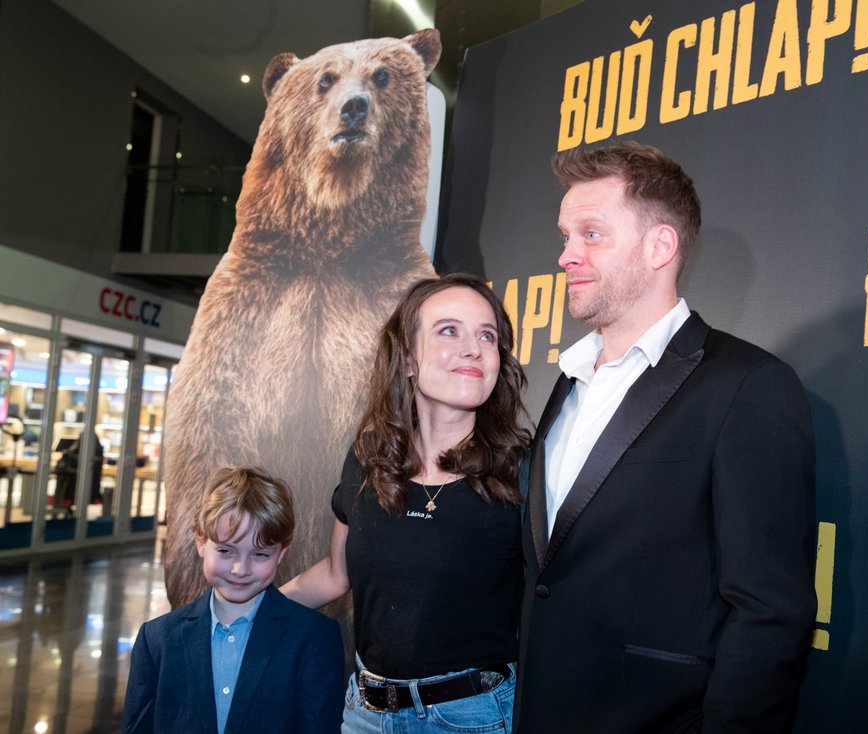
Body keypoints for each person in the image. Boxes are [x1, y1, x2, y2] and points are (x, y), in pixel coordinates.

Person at [515, 141, 817, 733]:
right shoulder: (568, 382)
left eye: (591, 234)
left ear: (660, 246)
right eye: (565, 236)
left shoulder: (747, 386)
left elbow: (770, 612)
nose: (566, 255)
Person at [282, 273, 530, 733]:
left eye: (488, 335)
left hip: (474, 718)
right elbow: (337, 574)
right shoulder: (368, 458)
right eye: (449, 330)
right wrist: (256, 607)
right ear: (408, 360)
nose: (474, 348)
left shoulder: (524, 472)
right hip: (364, 716)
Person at [123, 466, 345, 734]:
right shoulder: (157, 640)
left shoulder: (314, 638)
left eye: (260, 554)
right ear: (201, 542)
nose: (241, 569)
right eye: (226, 551)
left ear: (281, 553)